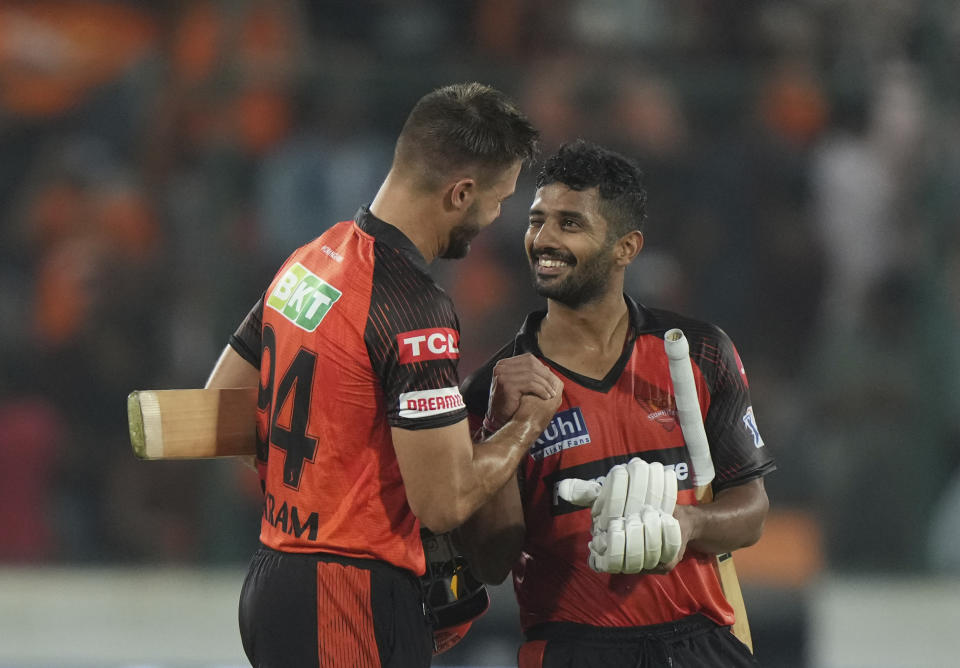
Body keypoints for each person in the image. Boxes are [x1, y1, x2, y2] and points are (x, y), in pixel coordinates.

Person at [204, 82, 564, 668]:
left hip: (275, 574)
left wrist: (321, 484)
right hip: (349, 596)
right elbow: (444, 503)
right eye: (498, 200)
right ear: (461, 193)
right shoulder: (411, 307)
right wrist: (525, 423)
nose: (496, 218)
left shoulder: (309, 260)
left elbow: (222, 404)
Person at [458, 140, 776, 667]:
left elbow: (753, 512)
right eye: (537, 220)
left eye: (570, 224)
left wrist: (686, 524)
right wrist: (499, 432)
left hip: (703, 644)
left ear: (627, 247)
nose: (544, 240)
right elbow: (492, 562)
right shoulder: (494, 388)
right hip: (576, 648)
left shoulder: (699, 352)